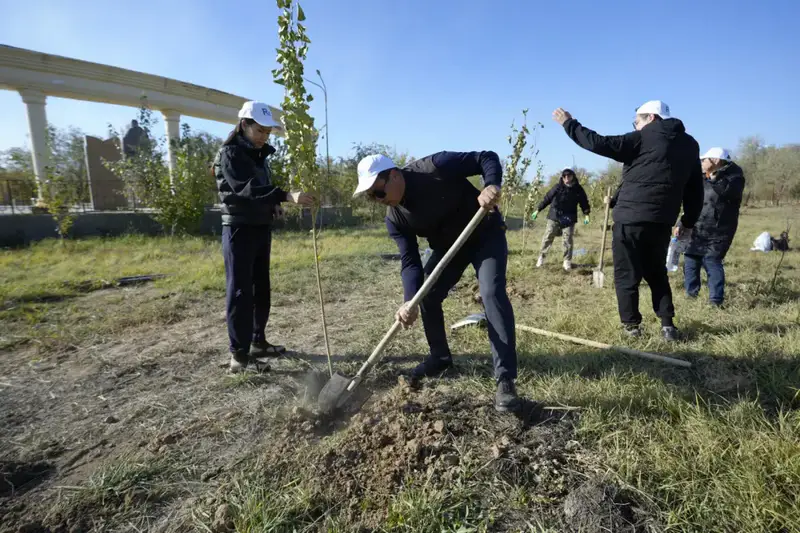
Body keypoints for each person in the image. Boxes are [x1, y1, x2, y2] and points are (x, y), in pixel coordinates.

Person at [352, 151, 520, 412]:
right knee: (427, 294)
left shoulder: (435, 167)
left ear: (393, 175)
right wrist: (409, 301)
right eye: (371, 196)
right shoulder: (395, 219)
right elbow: (410, 262)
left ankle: (505, 379)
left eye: (378, 192)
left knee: (491, 292)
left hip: (485, 234)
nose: (378, 199)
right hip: (449, 248)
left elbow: (486, 158)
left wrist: (491, 185)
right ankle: (439, 357)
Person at [552, 101, 703, 341]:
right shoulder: (690, 145)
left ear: (651, 118)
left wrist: (569, 124)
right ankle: (667, 326)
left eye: (637, 121)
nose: (636, 126)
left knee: (626, 273)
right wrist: (688, 221)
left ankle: (632, 327)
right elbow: (695, 189)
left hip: (630, 219)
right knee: (657, 272)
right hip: (662, 221)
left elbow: (598, 143)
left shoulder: (642, 137)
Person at [213, 101, 314, 373]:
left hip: (260, 227)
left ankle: (258, 341)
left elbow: (262, 188)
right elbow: (245, 189)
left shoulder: (259, 156)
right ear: (243, 125)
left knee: (261, 288)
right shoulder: (230, 154)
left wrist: (274, 204)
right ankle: (239, 356)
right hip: (239, 229)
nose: (264, 137)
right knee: (240, 291)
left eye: (268, 132)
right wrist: (285, 195)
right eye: (259, 130)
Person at [680, 148, 745, 307]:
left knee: (711, 260)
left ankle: (715, 301)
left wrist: (715, 178)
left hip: (720, 229)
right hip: (698, 226)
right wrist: (682, 223)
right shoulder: (700, 178)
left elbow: (728, 193)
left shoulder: (734, 177)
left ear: (716, 160)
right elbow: (691, 202)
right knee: (690, 259)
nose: (701, 162)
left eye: (705, 160)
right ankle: (691, 295)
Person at [531, 167, 591, 270]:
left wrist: (586, 214)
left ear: (573, 176)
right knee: (548, 236)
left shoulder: (578, 189)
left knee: (567, 239)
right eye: (564, 176)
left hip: (569, 217)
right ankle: (541, 258)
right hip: (555, 215)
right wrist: (538, 210)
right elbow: (547, 198)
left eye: (568, 175)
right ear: (562, 177)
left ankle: (567, 261)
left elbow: (584, 202)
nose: (566, 177)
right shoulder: (557, 187)